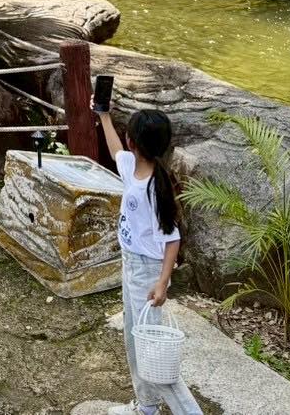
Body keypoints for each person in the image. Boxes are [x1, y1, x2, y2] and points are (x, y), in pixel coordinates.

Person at [98, 107, 204, 415]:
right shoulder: (131, 166)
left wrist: (162, 282)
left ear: (132, 141)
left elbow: (172, 239)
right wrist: (103, 116)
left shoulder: (155, 188)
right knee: (135, 339)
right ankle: (146, 406)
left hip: (147, 272)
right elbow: (114, 151)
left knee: (152, 350)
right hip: (131, 264)